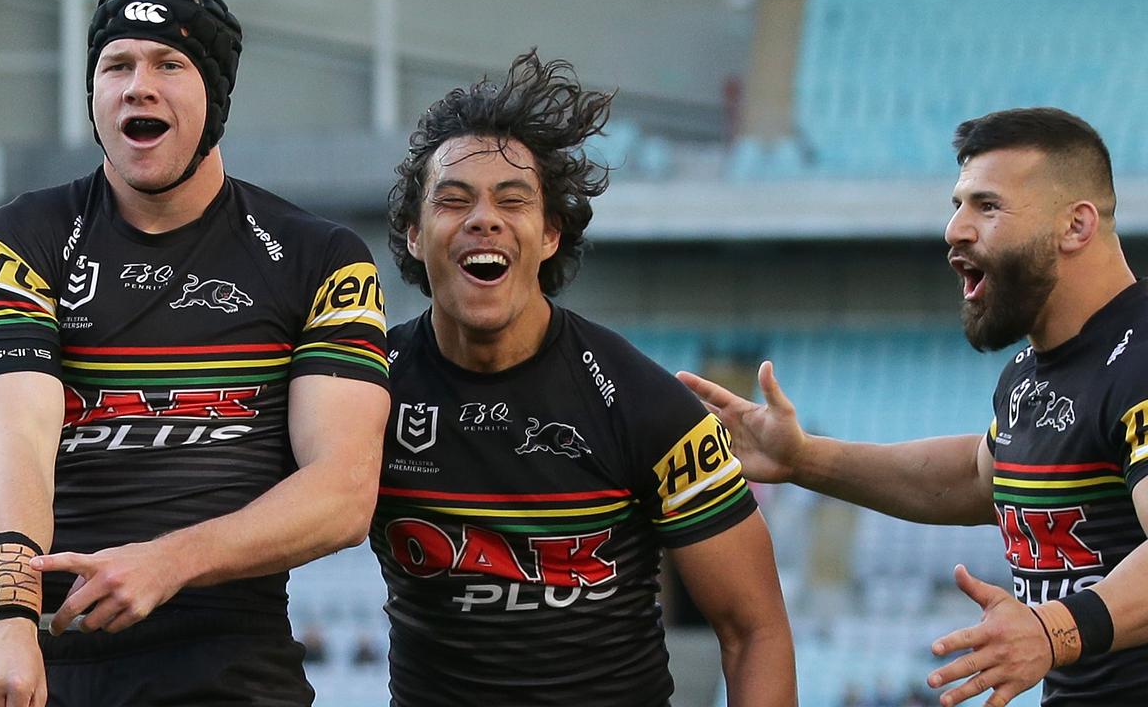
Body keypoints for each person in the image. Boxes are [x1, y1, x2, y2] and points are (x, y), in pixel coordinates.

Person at [0, 0, 390, 705]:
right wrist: (5, 615)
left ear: (216, 94)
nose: (137, 86)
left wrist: (168, 562)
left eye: (168, 64)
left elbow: (343, 492)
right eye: (116, 64)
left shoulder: (319, 256)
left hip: (233, 667)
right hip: (56, 664)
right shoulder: (23, 237)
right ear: (92, 90)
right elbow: (16, 440)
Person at [679, 107, 1148, 706]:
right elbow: (973, 479)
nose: (955, 229)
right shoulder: (1029, 376)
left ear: (1076, 226)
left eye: (987, 206)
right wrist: (803, 459)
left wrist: (1055, 631)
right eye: (957, 205)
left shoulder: (1139, 359)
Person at [373, 51, 796, 706]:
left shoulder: (646, 405)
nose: (482, 218)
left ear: (548, 235)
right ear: (412, 236)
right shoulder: (363, 393)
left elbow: (754, 630)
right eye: (453, 201)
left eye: (511, 201)